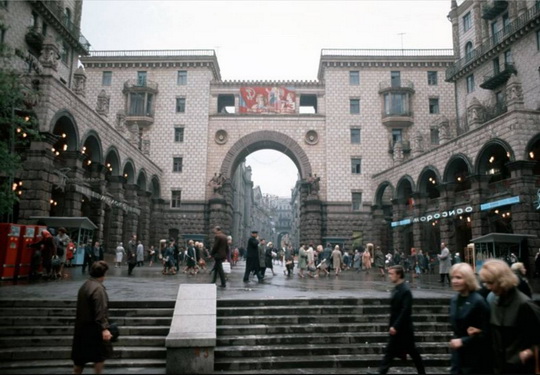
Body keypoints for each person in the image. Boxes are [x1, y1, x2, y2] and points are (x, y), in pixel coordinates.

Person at [479, 259, 540, 374]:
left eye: (491, 283)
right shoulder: (494, 303)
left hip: (520, 368)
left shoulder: (524, 305)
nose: (488, 287)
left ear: (502, 281)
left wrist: (529, 352)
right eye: (486, 283)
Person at [376, 265, 426, 374]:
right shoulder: (397, 288)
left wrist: (395, 326)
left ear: (399, 275)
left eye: (391, 274)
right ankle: (381, 372)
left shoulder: (405, 290)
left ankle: (422, 372)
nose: (390, 276)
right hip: (398, 327)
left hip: (404, 329)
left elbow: (405, 310)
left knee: (413, 352)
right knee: (390, 352)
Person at [448, 263, 491, 374]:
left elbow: (487, 332)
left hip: (475, 358)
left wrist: (463, 341)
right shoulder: (454, 300)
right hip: (458, 357)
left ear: (468, 279)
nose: (454, 281)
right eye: (452, 277)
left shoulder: (478, 301)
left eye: (458, 277)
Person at [71, 260, 113, 374]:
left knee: (79, 362)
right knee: (99, 357)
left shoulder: (85, 285)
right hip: (93, 330)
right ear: (104, 274)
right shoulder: (98, 289)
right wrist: (104, 328)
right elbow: (101, 310)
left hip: (81, 329)